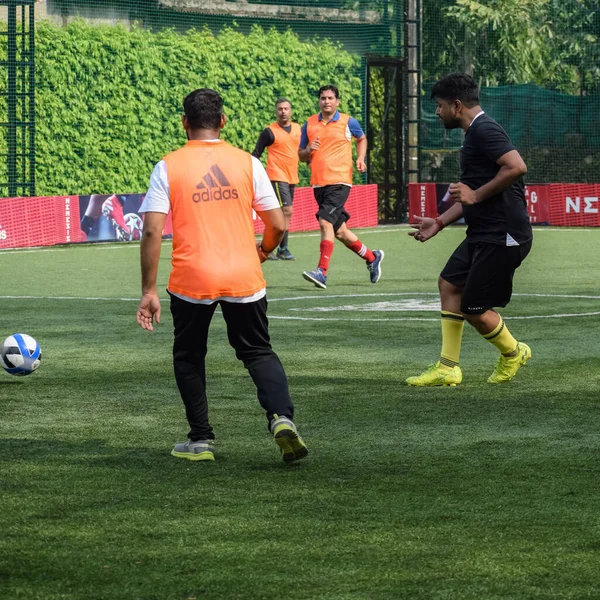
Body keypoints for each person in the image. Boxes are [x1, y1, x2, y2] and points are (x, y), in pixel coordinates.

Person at [136, 88, 308, 463]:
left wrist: (148, 289)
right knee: (258, 351)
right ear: (223, 122)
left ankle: (200, 440)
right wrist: (261, 252)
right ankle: (281, 418)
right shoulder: (248, 163)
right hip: (243, 274)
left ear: (185, 123)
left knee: (189, 355)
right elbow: (277, 223)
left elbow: (151, 231)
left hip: (191, 278)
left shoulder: (168, 166)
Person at [406, 73, 532, 386]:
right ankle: (448, 368)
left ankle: (514, 352)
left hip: (504, 234)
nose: (437, 112)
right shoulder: (474, 133)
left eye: (439, 106)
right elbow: (471, 193)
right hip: (484, 231)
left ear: (457, 106)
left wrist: (475, 195)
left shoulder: (484, 129)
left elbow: (516, 166)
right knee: (449, 284)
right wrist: (438, 222)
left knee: (474, 309)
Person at [299, 84, 384, 290]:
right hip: (319, 184)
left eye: (330, 98)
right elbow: (301, 155)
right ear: (318, 101)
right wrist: (309, 149)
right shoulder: (309, 124)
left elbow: (362, 139)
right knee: (340, 232)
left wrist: (361, 158)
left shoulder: (348, 122)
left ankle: (322, 272)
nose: (326, 101)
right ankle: (373, 258)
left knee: (324, 222)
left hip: (340, 182)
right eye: (323, 98)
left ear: (337, 101)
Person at [252, 97, 301, 260]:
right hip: (276, 176)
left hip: (292, 176)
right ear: (276, 111)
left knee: (282, 214)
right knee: (286, 211)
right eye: (280, 109)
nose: (283, 112)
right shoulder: (269, 131)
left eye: (286, 109)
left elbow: (302, 152)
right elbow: (256, 154)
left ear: (291, 111)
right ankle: (280, 247)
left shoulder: (298, 129)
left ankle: (276, 247)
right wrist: (255, 175)